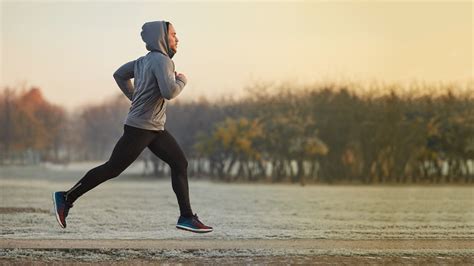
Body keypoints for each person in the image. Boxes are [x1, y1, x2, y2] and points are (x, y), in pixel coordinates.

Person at [52, 21, 213, 233]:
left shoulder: (143, 61)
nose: (177, 39)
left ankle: (186, 217)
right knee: (113, 168)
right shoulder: (163, 61)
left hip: (154, 128)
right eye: (174, 34)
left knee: (180, 163)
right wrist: (182, 80)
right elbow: (169, 92)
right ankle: (66, 198)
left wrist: (134, 96)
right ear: (162, 37)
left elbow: (119, 74)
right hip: (141, 127)